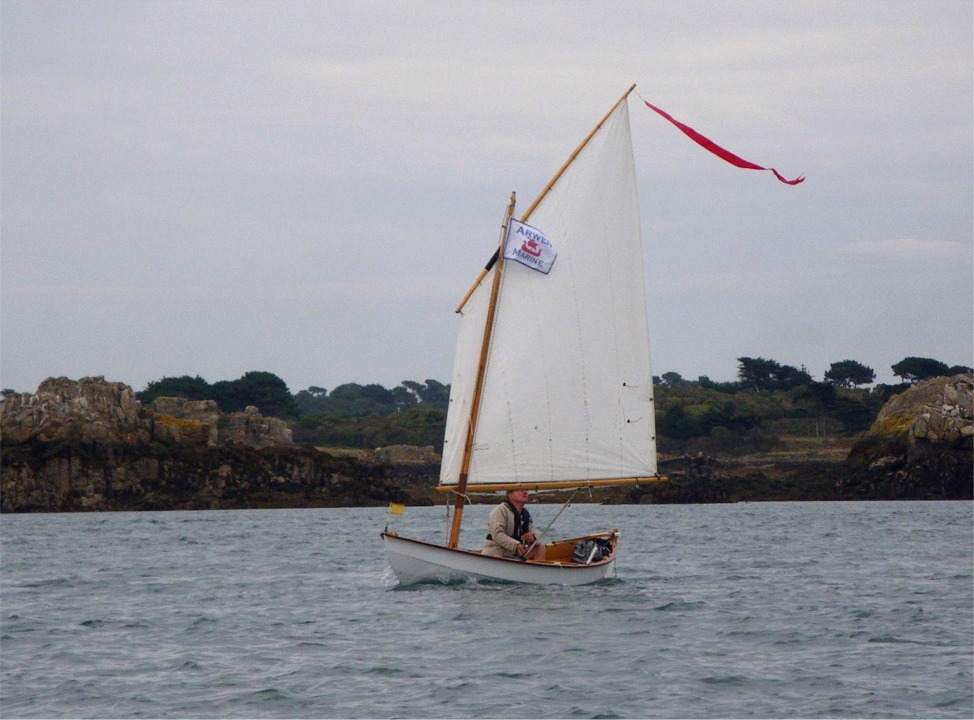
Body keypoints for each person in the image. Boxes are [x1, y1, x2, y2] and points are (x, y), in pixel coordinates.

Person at [482, 488, 546, 561]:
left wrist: (532, 538)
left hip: (514, 553)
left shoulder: (524, 514)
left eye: (526, 490)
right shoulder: (500, 510)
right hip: (497, 553)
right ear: (510, 495)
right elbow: (497, 535)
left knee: (540, 548)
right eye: (520, 490)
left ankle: (534, 571)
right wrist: (516, 545)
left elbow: (537, 533)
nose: (525, 492)